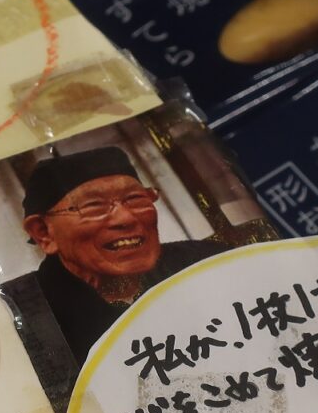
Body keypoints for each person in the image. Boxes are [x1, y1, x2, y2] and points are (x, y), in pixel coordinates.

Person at [14, 146, 227, 363]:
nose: (126, 218)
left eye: (135, 198)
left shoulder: (207, 262)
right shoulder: (21, 315)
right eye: (94, 205)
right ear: (43, 232)